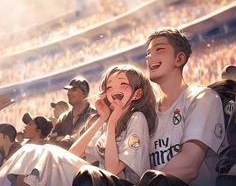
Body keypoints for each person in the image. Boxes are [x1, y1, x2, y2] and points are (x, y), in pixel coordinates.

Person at [73, 27, 225, 186]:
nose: (150, 56)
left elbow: (188, 166)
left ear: (179, 59)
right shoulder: (145, 113)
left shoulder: (202, 98)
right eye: (148, 53)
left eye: (159, 49)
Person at [0, 64, 156, 185]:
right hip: (95, 178)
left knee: (46, 153)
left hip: (119, 183)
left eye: (122, 84)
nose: (114, 90)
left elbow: (113, 170)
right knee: (30, 150)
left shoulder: (137, 118)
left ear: (137, 94)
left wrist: (111, 123)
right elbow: (74, 153)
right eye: (109, 87)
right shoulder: (107, 121)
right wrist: (102, 119)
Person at [49, 76, 96, 148]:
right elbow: (52, 140)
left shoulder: (94, 115)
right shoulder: (63, 117)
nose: (68, 93)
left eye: (73, 90)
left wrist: (64, 139)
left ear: (85, 92)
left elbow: (89, 139)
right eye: (68, 90)